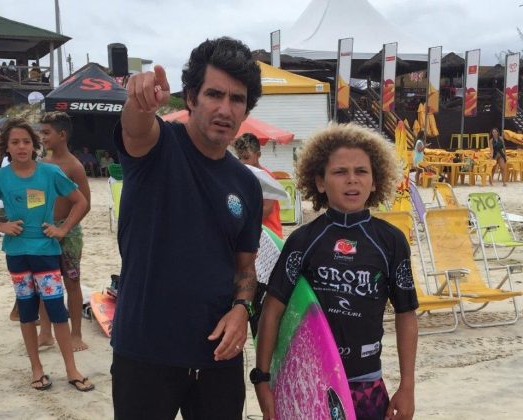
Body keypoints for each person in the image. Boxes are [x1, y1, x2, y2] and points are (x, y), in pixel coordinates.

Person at [111, 37, 263, 419]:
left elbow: (245, 267)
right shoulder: (158, 147)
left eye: (237, 99)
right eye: (214, 94)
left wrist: (242, 309)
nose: (225, 109)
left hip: (218, 357)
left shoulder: (246, 184)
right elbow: (135, 128)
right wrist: (139, 101)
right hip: (144, 353)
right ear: (191, 98)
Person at [255, 123, 419, 420]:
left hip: (367, 384)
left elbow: (406, 313)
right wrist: (262, 378)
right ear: (319, 182)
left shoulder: (390, 241)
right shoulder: (303, 241)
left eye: (361, 172)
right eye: (340, 172)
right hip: (311, 383)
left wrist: (407, 387)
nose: (352, 180)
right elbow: (272, 310)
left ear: (374, 182)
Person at [0, 118, 94, 392]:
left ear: (34, 145)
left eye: (26, 141)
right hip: (17, 254)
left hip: (46, 251)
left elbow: (80, 201)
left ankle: (71, 369)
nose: (21, 146)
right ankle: (37, 369)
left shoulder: (49, 173)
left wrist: (64, 230)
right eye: (15, 142)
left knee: (57, 309)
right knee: (26, 311)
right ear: (6, 147)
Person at [32, 111, 91, 351]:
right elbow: (38, 197)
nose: (42, 137)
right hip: (45, 229)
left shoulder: (74, 166)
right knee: (45, 281)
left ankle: (75, 333)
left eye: (47, 133)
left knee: (72, 283)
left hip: (68, 233)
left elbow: (85, 203)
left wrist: (65, 228)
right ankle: (46, 332)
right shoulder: (41, 164)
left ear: (62, 135)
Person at [233, 132, 283, 238]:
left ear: (258, 155)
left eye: (246, 158)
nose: (242, 162)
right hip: (252, 233)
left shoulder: (266, 177)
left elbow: (267, 209)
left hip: (269, 233)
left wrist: (246, 227)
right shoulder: (242, 176)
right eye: (239, 158)